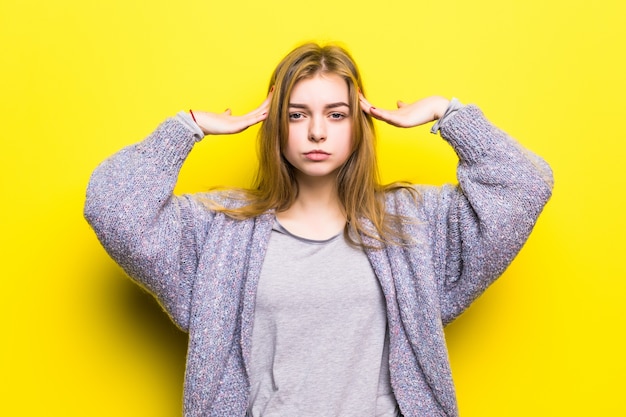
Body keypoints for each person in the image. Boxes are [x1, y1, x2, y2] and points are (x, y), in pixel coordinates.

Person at [84, 43, 553, 417]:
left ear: (359, 124)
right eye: (296, 113)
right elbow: (111, 207)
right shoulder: (220, 229)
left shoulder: (411, 223)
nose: (316, 133)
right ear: (273, 125)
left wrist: (449, 115)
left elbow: (525, 184)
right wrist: (183, 129)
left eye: (336, 114)